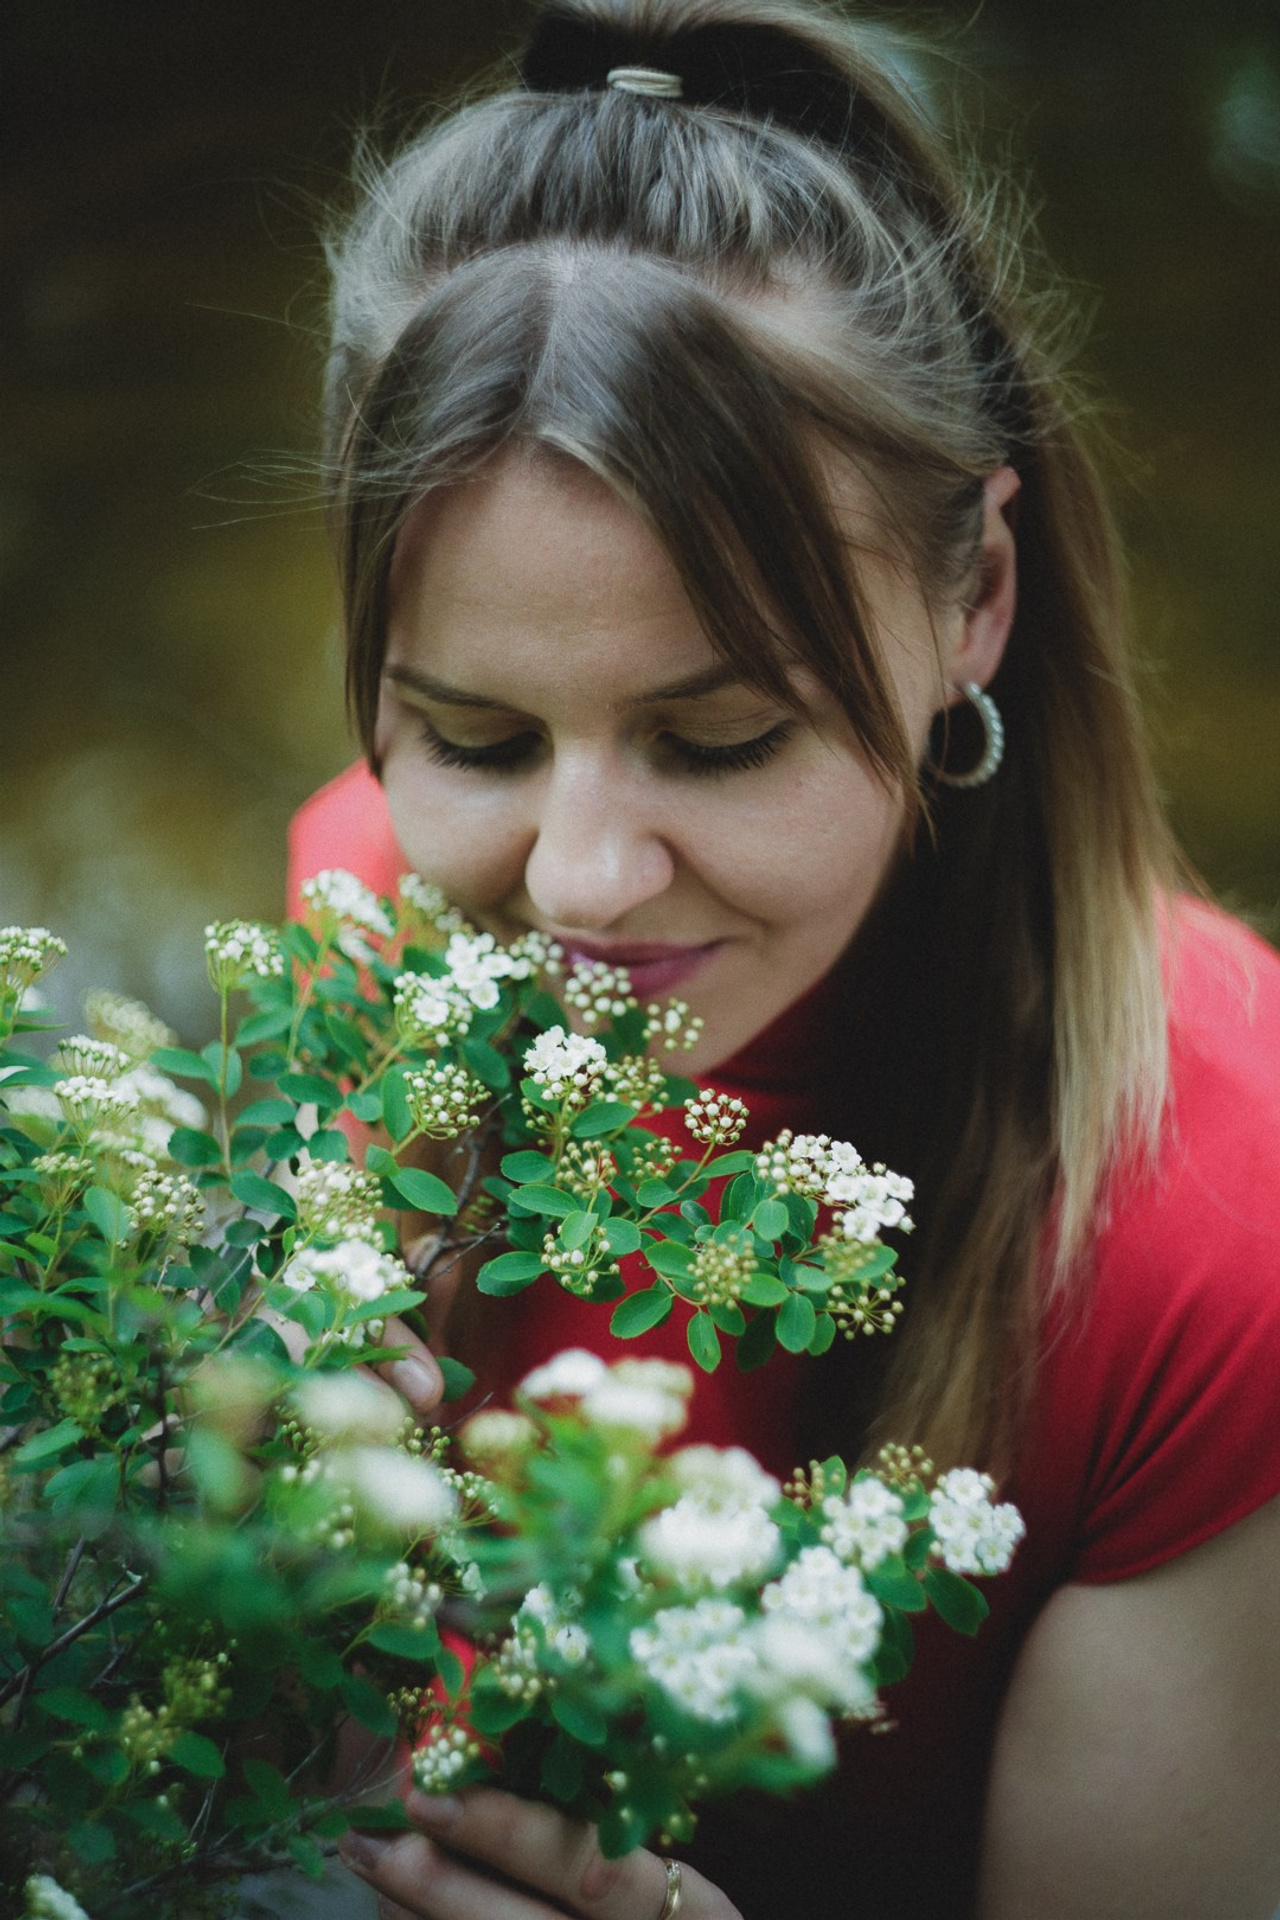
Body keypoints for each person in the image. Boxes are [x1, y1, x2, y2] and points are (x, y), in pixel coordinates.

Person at [282, 2, 1280, 1915]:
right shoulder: (367, 917)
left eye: (721, 738)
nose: (576, 882)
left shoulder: (1214, 1243)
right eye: (475, 738)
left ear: (976, 598)